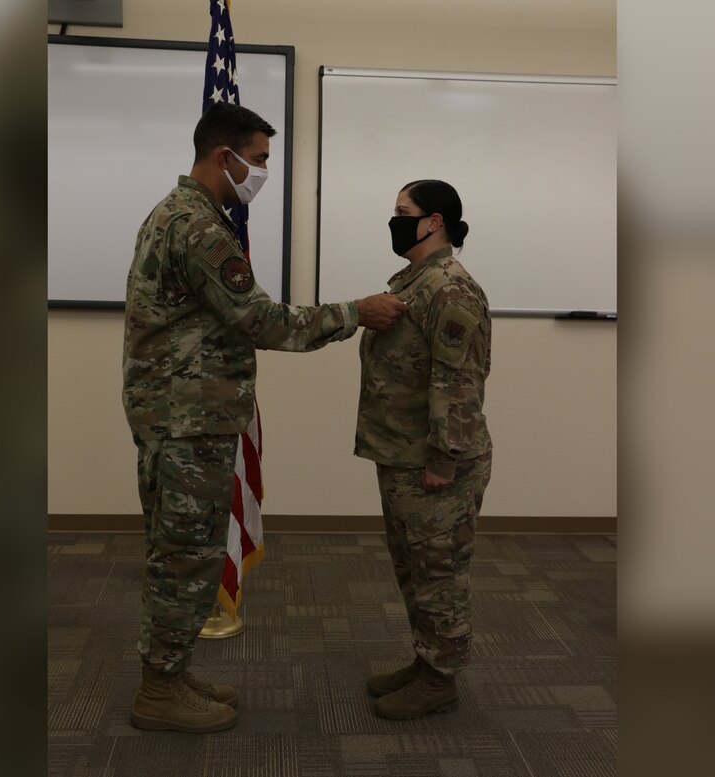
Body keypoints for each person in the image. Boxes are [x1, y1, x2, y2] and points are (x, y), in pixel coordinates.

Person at [122, 102, 406, 734]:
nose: (262, 171)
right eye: (260, 159)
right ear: (225, 156)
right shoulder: (197, 227)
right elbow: (262, 321)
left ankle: (169, 671)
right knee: (186, 556)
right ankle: (158, 690)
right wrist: (354, 311)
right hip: (187, 421)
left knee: (182, 551)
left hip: (183, 416)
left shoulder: (182, 215)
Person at [354, 179, 492, 720]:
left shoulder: (449, 289)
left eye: (401, 212)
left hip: (436, 462)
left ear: (433, 221)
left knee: (439, 573)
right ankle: (426, 659)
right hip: (403, 454)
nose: (394, 220)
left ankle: (441, 680)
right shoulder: (415, 280)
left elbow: (458, 382)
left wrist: (443, 458)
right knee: (413, 568)